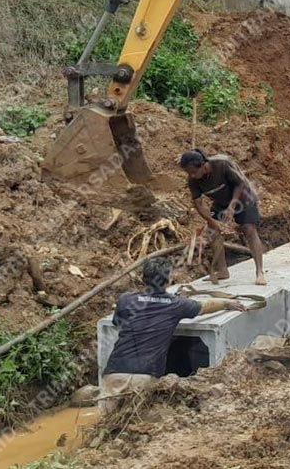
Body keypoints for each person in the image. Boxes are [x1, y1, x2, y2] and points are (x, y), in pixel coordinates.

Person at [100, 257, 249, 413]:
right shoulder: (177, 304)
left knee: (104, 421)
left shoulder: (126, 299)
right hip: (145, 375)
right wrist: (226, 303)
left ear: (142, 278)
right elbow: (205, 306)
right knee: (135, 421)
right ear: (169, 279)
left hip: (115, 371)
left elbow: (118, 322)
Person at [180, 149, 267, 285]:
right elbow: (198, 204)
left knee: (248, 229)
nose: (192, 175)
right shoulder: (193, 180)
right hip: (221, 202)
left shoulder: (222, 164)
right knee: (212, 233)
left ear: (203, 165)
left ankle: (259, 272)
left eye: (193, 172)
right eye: (188, 173)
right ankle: (222, 271)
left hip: (244, 198)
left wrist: (232, 207)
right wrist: (212, 221)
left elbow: (240, 184)